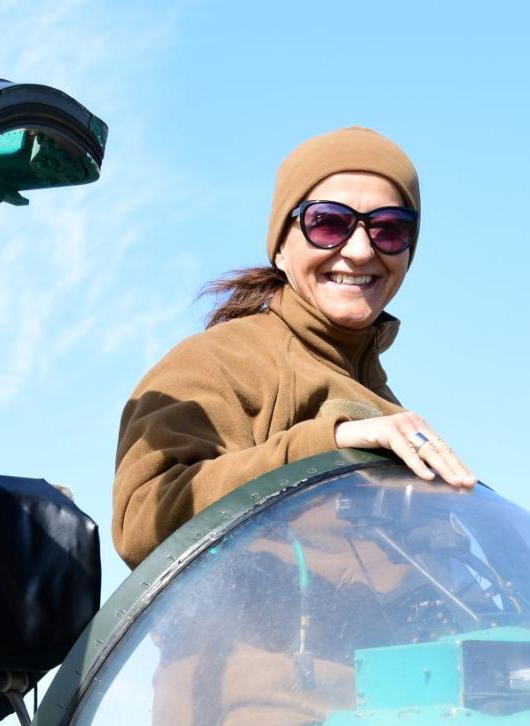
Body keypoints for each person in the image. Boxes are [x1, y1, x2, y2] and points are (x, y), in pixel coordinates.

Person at [112, 127, 476, 570]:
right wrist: (328, 446)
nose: (361, 251)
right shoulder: (220, 360)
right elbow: (142, 519)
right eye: (329, 223)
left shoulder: (388, 407)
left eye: (389, 229)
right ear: (281, 247)